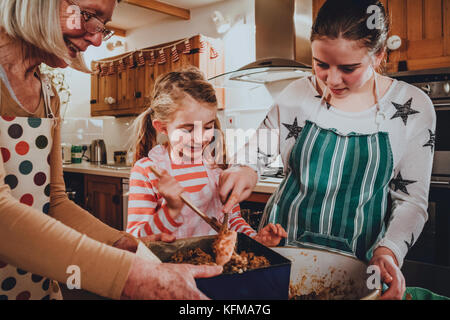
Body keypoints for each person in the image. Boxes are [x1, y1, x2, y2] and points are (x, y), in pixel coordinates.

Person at [0, 0, 222, 300]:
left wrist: (125, 244)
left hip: (33, 287)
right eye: (89, 16)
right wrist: (131, 276)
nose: (95, 38)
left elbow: (55, 201)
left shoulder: (49, 93)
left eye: (101, 27)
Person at [219, 0, 436, 300]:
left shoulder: (412, 108)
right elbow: (253, 156)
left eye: (349, 68)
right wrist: (243, 171)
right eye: (321, 64)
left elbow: (411, 201)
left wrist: (390, 251)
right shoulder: (297, 93)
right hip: (280, 257)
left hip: (360, 267)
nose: (332, 80)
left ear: (379, 55)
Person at [127, 68, 287, 246]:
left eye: (207, 127)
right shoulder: (147, 171)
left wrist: (256, 239)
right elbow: (136, 239)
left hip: (214, 268)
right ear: (162, 127)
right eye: (187, 129)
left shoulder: (216, 168)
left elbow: (232, 222)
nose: (201, 137)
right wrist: (170, 210)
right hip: (170, 270)